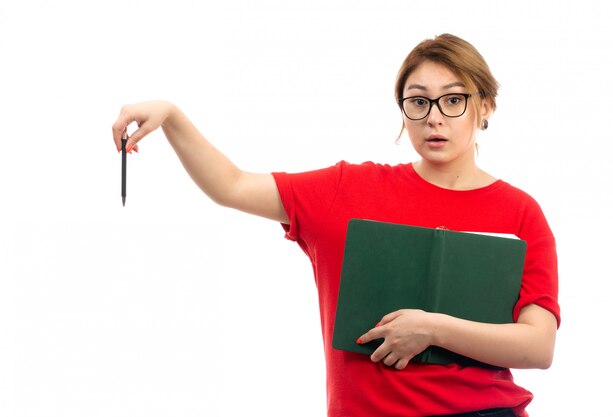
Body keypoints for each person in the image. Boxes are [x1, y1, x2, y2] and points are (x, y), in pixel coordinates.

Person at [111, 33, 559, 417]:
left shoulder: (520, 211)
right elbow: (230, 185)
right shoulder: (348, 189)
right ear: (402, 110)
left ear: (486, 107)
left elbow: (537, 347)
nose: (434, 116)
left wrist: (434, 328)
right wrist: (171, 115)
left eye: (454, 99)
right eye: (418, 101)